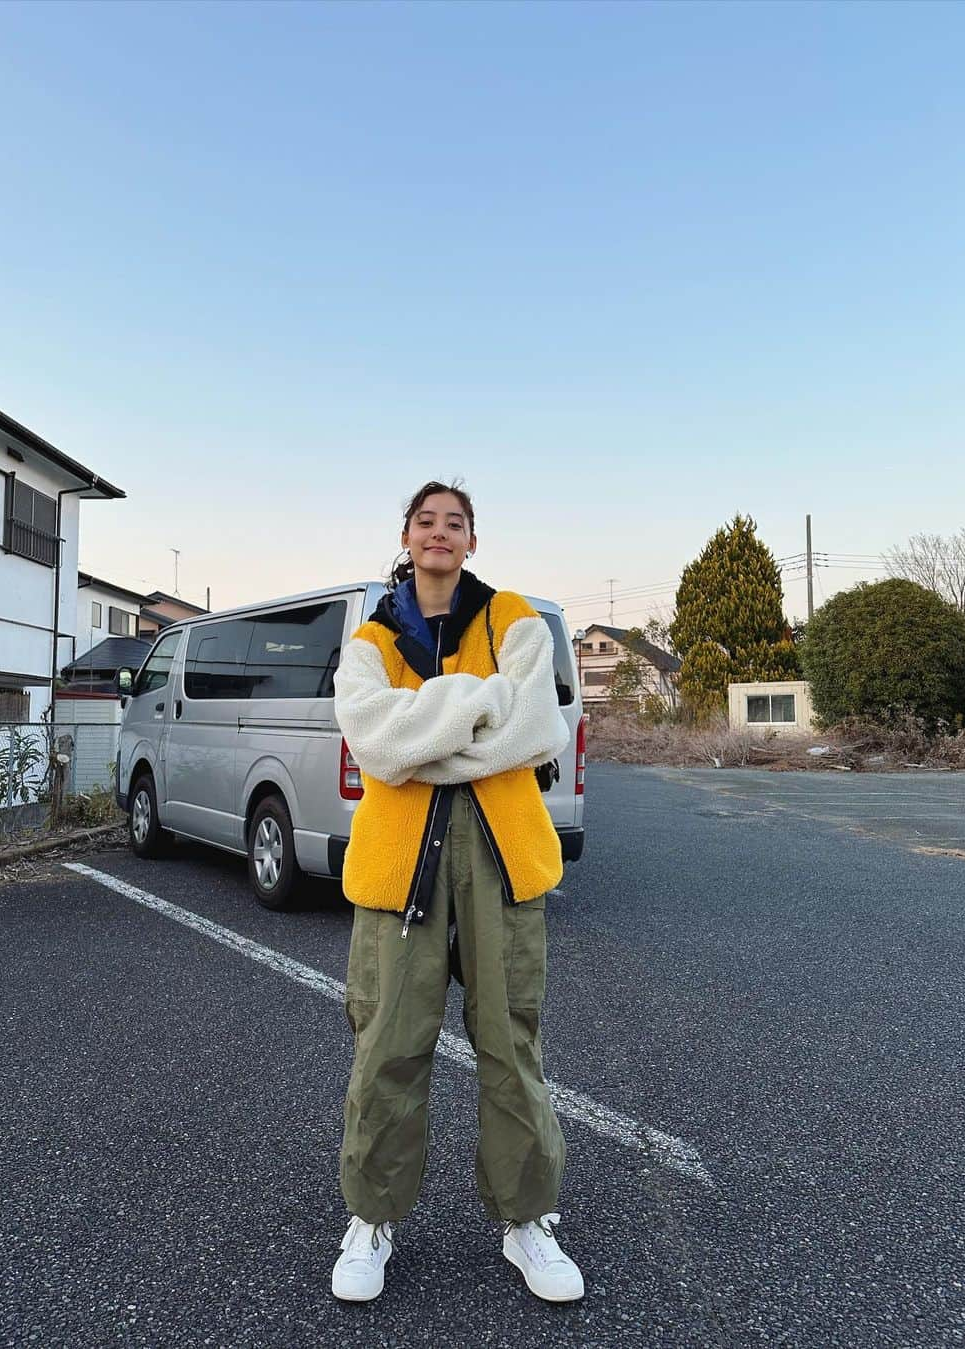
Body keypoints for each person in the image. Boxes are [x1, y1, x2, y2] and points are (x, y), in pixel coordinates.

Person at [330, 479, 583, 1304]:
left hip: (501, 854)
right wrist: (478, 715)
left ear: (473, 540)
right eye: (426, 521)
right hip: (398, 863)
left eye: (456, 523)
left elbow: (535, 720)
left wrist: (422, 733)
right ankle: (371, 1218)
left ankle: (526, 1220)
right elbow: (371, 736)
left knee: (510, 1044)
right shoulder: (371, 634)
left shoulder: (511, 614)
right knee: (387, 1044)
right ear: (405, 536)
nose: (440, 533)